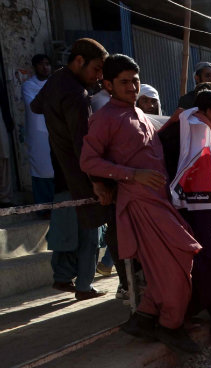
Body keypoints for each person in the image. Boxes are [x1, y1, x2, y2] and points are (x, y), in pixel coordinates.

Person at [79, 54, 201, 351]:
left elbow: (141, 146)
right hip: (138, 202)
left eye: (135, 81)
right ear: (107, 85)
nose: (133, 87)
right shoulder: (105, 118)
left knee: (167, 263)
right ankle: (170, 325)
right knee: (178, 259)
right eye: (124, 82)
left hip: (159, 200)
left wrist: (172, 123)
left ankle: (145, 316)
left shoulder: (138, 114)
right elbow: (88, 160)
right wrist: (132, 175)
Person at [30, 38, 110, 300]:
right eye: (96, 69)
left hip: (60, 168)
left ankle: (63, 277)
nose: (98, 76)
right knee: (90, 229)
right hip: (79, 173)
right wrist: (96, 180)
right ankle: (84, 286)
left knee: (67, 227)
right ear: (79, 61)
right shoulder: (77, 96)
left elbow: (36, 105)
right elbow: (83, 144)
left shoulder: (57, 80)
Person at [159, 89, 211, 340]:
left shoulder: (209, 134)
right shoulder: (178, 131)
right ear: (200, 110)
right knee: (203, 262)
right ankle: (191, 316)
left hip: (207, 210)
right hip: (187, 211)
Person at [22, 54, 55, 209]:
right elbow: (34, 106)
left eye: (48, 64)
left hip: (54, 132)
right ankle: (43, 209)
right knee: (41, 169)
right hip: (37, 135)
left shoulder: (55, 84)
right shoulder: (28, 86)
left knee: (55, 169)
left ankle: (57, 207)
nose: (45, 67)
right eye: (42, 64)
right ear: (35, 67)